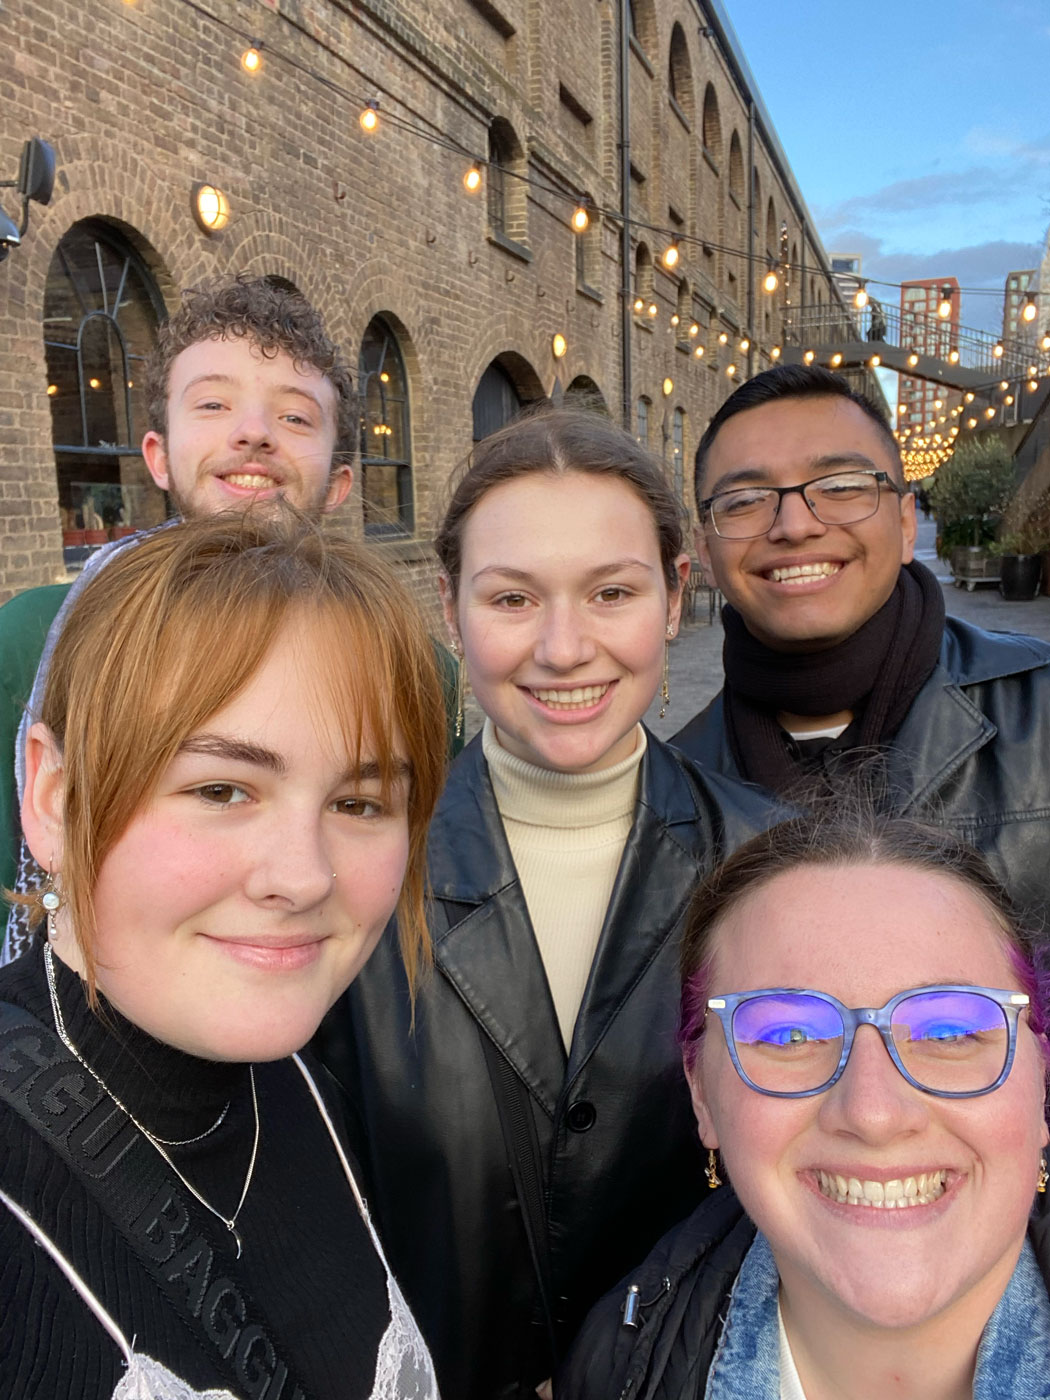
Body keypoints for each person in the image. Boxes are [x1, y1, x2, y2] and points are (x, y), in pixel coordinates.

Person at [318, 405, 780, 1400]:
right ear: (450, 608)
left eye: (610, 591)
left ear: (672, 595)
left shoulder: (779, 865)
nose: (564, 647)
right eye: (514, 598)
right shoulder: (348, 864)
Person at [0, 511, 447, 1398]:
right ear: (53, 797)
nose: (303, 877)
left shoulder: (308, 1084)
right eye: (221, 788)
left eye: (359, 803)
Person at [1, 275, 458, 962]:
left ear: (338, 481)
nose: (253, 434)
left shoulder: (412, 664)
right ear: (158, 456)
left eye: (296, 417)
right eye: (214, 404)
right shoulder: (35, 634)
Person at [557, 802, 1050, 1400]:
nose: (873, 1113)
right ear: (701, 1094)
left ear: (1041, 1074)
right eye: (788, 1036)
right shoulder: (614, 1368)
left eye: (948, 1031)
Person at [672, 364, 1050, 925]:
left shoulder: (1038, 711)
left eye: (841, 487)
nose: (794, 525)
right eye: (745, 500)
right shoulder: (673, 788)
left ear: (905, 525)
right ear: (706, 552)